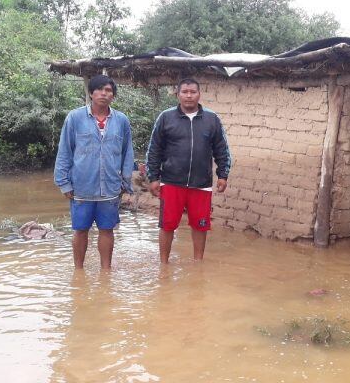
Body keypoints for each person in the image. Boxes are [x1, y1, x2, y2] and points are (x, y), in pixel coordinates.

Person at [146, 77, 231, 263]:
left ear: (199, 94)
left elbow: (221, 149)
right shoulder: (166, 117)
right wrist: (153, 177)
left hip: (201, 183)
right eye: (185, 92)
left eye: (193, 92)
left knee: (200, 225)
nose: (189, 96)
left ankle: (198, 263)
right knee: (167, 225)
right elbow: (154, 149)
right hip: (171, 182)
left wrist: (223, 175)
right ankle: (164, 264)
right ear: (178, 94)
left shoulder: (211, 119)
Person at [54, 74, 134, 270]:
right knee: (80, 230)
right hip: (82, 187)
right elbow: (65, 150)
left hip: (110, 187)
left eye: (108, 90)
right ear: (91, 93)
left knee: (107, 230)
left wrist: (126, 182)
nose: (104, 94)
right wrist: (63, 182)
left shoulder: (121, 120)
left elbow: (127, 153)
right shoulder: (75, 118)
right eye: (99, 89)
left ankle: (106, 271)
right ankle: (78, 271)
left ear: (113, 95)